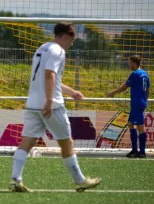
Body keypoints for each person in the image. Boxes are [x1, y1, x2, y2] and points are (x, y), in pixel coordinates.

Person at [10, 22, 101, 192]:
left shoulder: (42, 48)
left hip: (33, 104)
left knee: (27, 142)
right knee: (67, 143)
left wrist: (71, 91)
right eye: (71, 40)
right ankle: (80, 180)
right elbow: (49, 74)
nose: (71, 44)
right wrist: (50, 101)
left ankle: (16, 179)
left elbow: (50, 78)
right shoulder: (58, 50)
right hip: (52, 105)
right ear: (65, 37)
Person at [106, 55, 150, 158]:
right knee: (133, 125)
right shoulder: (145, 74)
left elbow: (125, 87)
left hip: (136, 103)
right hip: (141, 102)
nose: (128, 65)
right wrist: (145, 101)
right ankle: (137, 151)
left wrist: (112, 93)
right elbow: (148, 89)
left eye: (129, 63)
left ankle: (140, 152)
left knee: (137, 126)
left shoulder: (135, 74)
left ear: (135, 63)